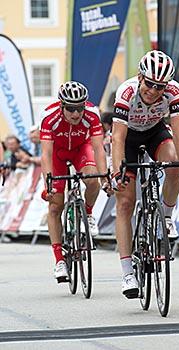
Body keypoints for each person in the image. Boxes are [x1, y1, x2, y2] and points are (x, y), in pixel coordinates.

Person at [111, 50, 179, 298]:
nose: (153, 90)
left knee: (173, 162)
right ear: (140, 77)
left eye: (159, 86)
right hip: (128, 138)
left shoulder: (174, 91)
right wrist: (117, 170)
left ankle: (167, 216)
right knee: (125, 203)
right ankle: (128, 273)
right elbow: (117, 137)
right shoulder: (126, 92)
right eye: (149, 84)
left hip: (154, 132)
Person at [40, 81, 111, 283]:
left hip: (81, 149)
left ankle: (87, 213)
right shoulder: (49, 117)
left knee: (92, 178)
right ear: (61, 105)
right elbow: (45, 154)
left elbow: (98, 149)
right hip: (57, 155)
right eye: (70, 108)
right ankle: (59, 260)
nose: (76, 113)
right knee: (56, 206)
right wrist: (49, 184)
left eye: (79, 107)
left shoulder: (92, 114)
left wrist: (104, 175)